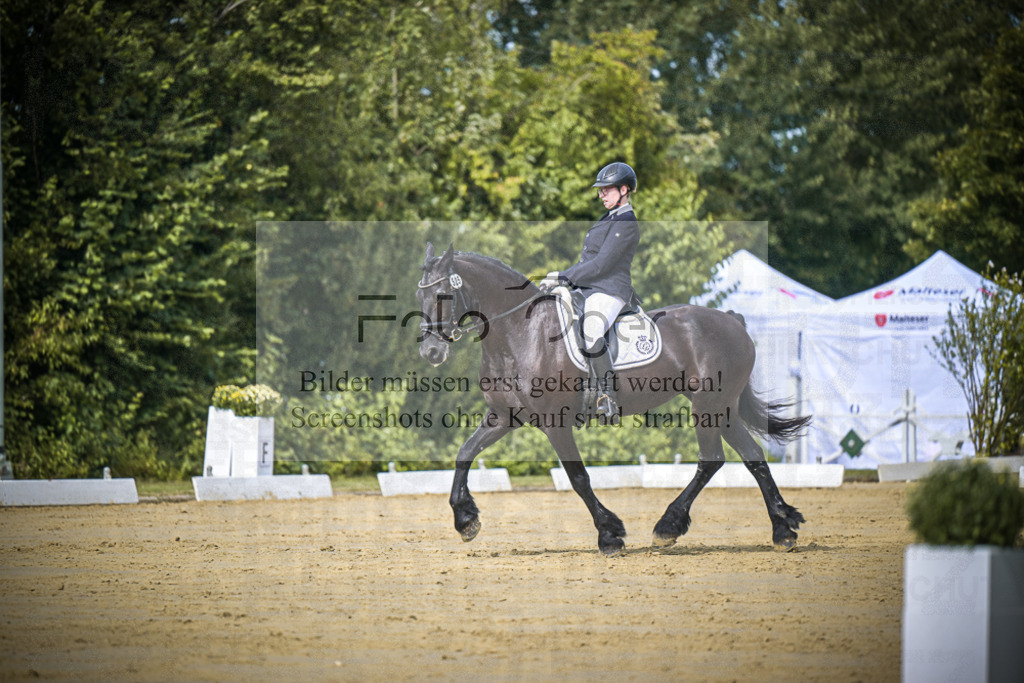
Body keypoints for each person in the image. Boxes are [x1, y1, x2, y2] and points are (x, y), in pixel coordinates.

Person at [540, 162, 641, 421]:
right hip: (590, 289)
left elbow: (601, 264)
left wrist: (563, 276)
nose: (601, 195)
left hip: (610, 290)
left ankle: (608, 397)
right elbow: (590, 263)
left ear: (624, 189)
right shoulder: (609, 218)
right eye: (600, 190)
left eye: (607, 190)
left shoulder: (626, 221)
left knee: (592, 328)